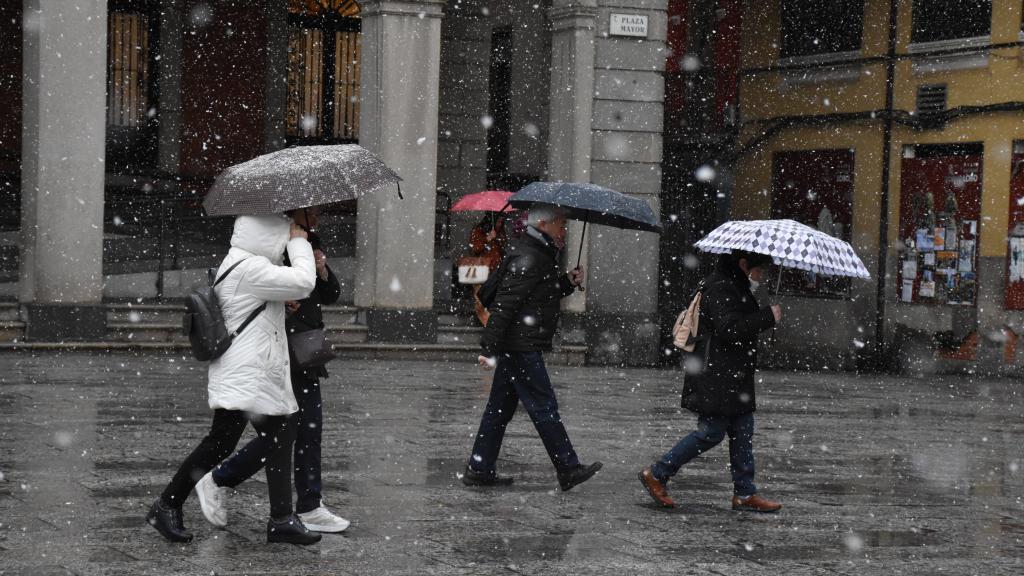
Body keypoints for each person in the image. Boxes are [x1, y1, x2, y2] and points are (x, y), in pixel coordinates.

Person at [146, 214, 321, 545]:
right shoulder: (250, 267)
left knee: (277, 435)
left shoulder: (243, 262)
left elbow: (254, 307)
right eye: (282, 237)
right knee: (222, 441)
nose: (285, 243)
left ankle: (281, 519)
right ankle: (166, 505)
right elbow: (303, 281)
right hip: (247, 374)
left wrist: (281, 304)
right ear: (268, 237)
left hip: (251, 372)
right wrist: (300, 242)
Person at [207, 207, 350, 533]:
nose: (317, 218)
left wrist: (323, 270)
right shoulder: (271, 239)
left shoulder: (308, 239)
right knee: (284, 433)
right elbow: (264, 288)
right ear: (295, 210)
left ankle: (309, 505)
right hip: (276, 347)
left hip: (306, 348)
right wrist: (284, 299)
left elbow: (330, 294)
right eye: (311, 212)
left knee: (308, 430)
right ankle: (220, 478)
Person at [463, 204, 603, 491]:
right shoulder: (530, 255)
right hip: (520, 345)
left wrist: (566, 282)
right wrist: (488, 347)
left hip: (518, 343)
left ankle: (479, 467)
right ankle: (567, 467)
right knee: (543, 406)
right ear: (543, 223)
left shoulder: (537, 252)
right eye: (561, 225)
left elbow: (538, 294)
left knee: (499, 410)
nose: (564, 230)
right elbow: (506, 304)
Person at [638, 249, 782, 513]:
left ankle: (745, 492)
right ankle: (657, 473)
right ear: (743, 264)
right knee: (710, 433)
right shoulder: (721, 287)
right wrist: (766, 317)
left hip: (732, 375)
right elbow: (730, 330)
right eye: (760, 270)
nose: (762, 276)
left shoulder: (734, 284)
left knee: (743, 430)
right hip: (718, 375)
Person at [467, 214, 507, 325]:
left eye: (502, 222)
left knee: (493, 297)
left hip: (495, 270)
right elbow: (475, 249)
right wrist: (487, 239)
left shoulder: (500, 232)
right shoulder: (478, 231)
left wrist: (499, 239)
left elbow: (502, 249)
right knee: (480, 297)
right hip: (481, 269)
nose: (500, 224)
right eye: (498, 221)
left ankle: (489, 322)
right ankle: (482, 321)